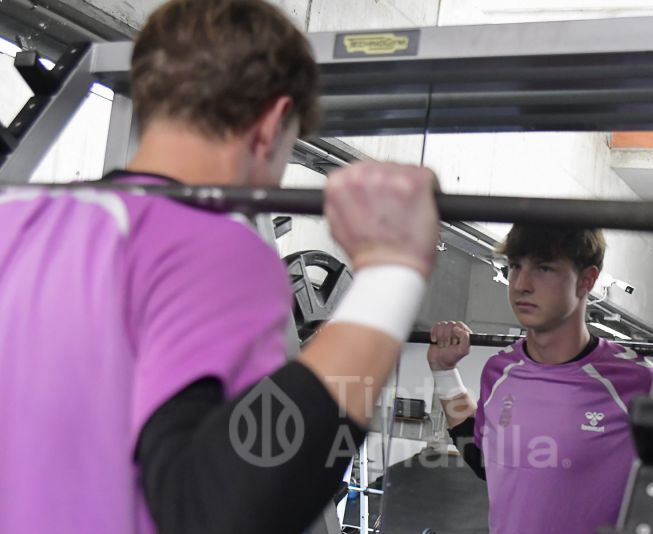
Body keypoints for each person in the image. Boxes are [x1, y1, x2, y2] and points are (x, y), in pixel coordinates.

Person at [0, 1, 440, 533]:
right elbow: (224, 504)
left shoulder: (14, 217)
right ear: (271, 125)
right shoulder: (209, 243)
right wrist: (391, 271)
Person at [426, 225, 653, 534]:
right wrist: (444, 374)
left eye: (544, 268)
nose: (520, 284)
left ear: (586, 280)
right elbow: (486, 461)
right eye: (515, 267)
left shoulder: (638, 381)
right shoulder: (500, 371)